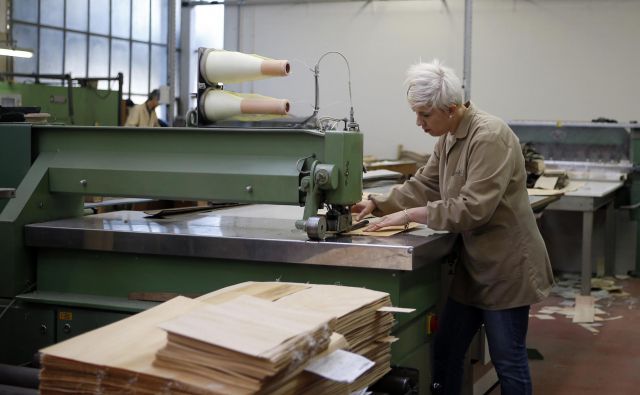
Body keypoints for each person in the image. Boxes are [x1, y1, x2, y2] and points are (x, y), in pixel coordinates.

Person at [353, 60, 554, 395]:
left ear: (450, 108)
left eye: (425, 114)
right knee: (446, 351)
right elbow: (424, 184)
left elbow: (474, 208)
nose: (418, 122)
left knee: (508, 360)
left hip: (506, 267)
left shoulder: (489, 137)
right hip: (473, 266)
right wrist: (377, 202)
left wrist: (409, 216)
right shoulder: (447, 138)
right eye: (415, 113)